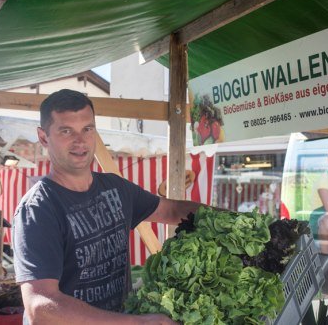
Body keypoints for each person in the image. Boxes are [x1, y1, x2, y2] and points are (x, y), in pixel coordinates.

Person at [12, 89, 205, 325]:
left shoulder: (115, 188)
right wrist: (140, 323)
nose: (80, 141)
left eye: (87, 129)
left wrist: (238, 223)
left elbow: (174, 211)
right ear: (43, 138)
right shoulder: (38, 209)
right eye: (66, 131)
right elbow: (40, 306)